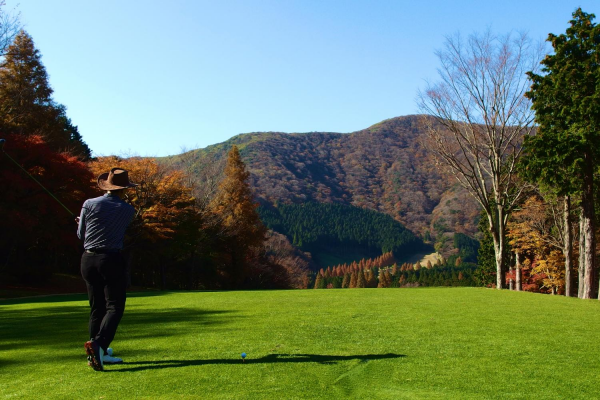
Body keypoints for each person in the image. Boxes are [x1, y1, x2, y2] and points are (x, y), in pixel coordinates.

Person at [77, 167, 137, 371]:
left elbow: (81, 234)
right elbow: (114, 228)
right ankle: (99, 345)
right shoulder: (129, 210)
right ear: (124, 189)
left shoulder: (88, 204)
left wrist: (83, 222)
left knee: (97, 308)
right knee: (114, 307)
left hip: (88, 260)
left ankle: (97, 355)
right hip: (110, 259)